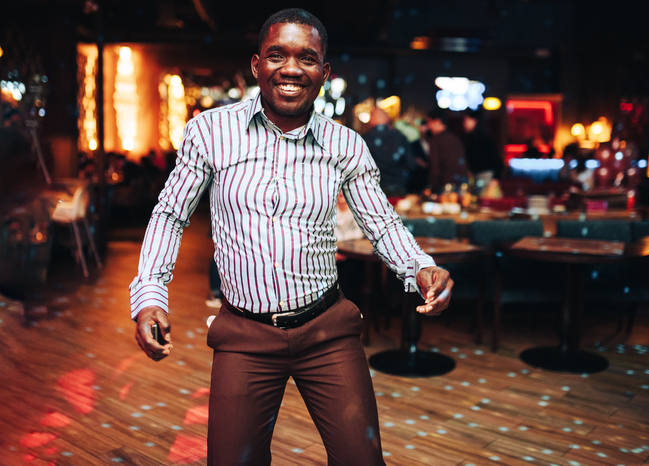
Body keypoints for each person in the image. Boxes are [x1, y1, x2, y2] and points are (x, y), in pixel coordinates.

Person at [129, 8, 454, 466]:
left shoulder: (345, 145)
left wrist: (420, 267)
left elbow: (381, 223)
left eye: (307, 58)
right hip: (244, 334)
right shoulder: (210, 132)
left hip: (328, 331)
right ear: (257, 65)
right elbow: (170, 215)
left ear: (324, 71)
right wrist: (149, 295)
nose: (291, 69)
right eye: (277, 55)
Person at [361, 107, 415, 197]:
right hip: (398, 186)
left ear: (371, 120)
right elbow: (411, 164)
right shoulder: (400, 137)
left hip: (374, 189)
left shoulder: (364, 139)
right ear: (387, 119)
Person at [425, 108, 469, 191]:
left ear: (437, 121)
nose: (429, 127)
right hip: (462, 183)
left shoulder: (436, 141)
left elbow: (435, 168)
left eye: (429, 123)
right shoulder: (455, 138)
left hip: (444, 185)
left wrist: (434, 188)